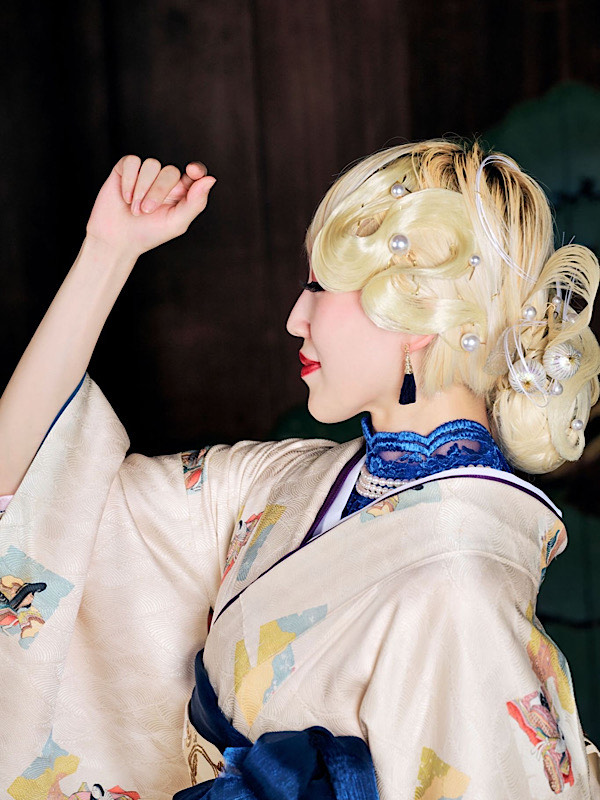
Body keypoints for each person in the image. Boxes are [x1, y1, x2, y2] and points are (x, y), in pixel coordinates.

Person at [0, 140, 599, 800]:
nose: (295, 318)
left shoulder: (462, 585)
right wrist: (107, 253)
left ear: (415, 315)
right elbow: (32, 493)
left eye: (318, 286)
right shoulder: (283, 483)